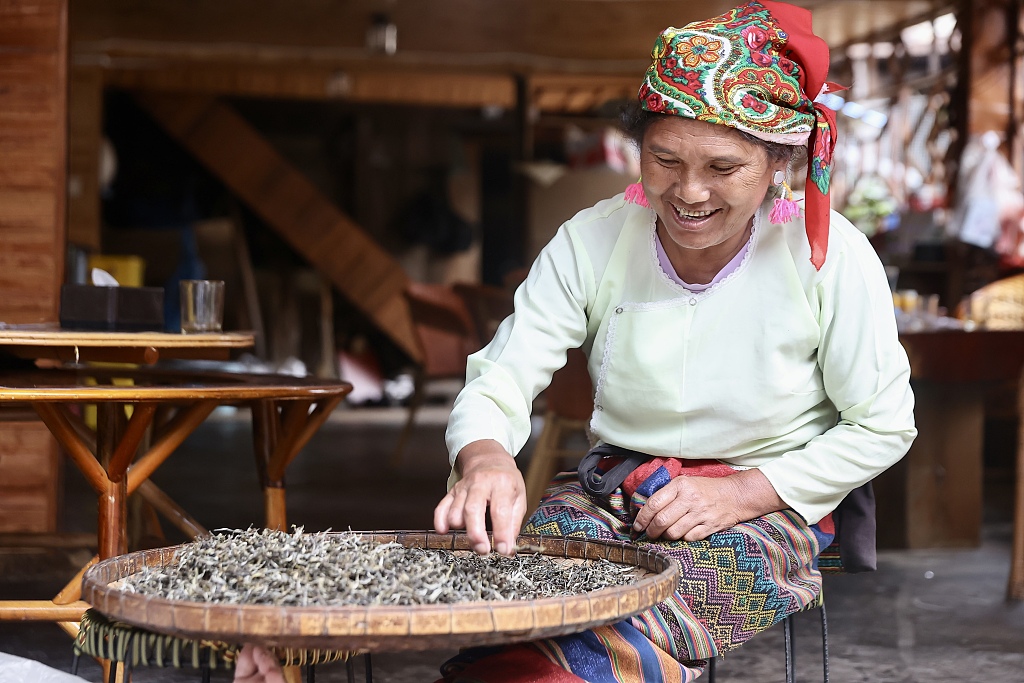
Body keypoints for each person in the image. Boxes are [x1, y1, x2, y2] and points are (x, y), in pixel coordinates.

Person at [433, 1, 916, 681]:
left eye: (723, 168)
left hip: (770, 507)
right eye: (664, 159)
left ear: (779, 162)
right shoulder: (592, 239)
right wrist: (484, 457)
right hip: (615, 489)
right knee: (513, 594)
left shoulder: (831, 257)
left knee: (626, 611)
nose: (689, 192)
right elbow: (502, 374)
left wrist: (743, 492)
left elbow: (884, 423)